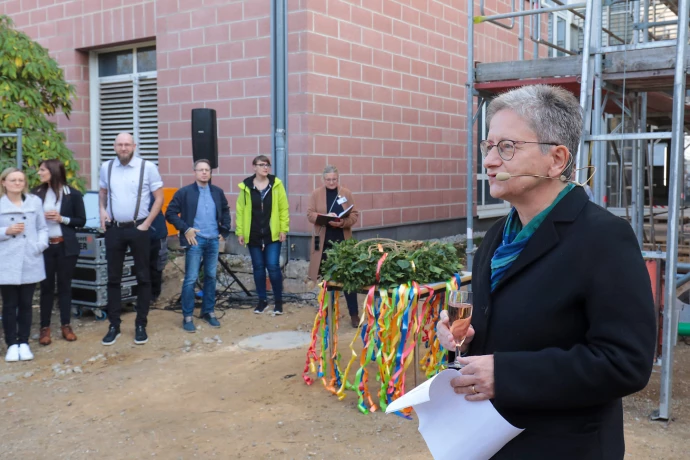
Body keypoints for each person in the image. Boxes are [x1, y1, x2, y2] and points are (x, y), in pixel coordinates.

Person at [436, 85, 656, 459]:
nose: (489, 161)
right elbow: (502, 333)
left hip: (565, 445)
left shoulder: (603, 238)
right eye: (487, 147)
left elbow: (626, 363)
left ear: (556, 159)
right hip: (492, 439)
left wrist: (506, 375)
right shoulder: (495, 238)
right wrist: (464, 339)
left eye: (506, 147)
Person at [99, 132, 164, 346]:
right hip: (115, 229)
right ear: (114, 146)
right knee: (113, 278)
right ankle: (114, 325)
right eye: (120, 144)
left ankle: (140, 324)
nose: (124, 148)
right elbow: (102, 192)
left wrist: (146, 224)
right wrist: (102, 211)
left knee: (143, 277)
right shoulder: (107, 167)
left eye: (127, 144)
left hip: (139, 228)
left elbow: (159, 198)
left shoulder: (147, 167)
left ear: (134, 146)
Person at [165, 159, 231, 332]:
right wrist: (185, 229)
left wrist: (224, 231)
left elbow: (225, 211)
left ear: (210, 173)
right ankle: (187, 316)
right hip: (195, 240)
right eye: (200, 170)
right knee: (191, 279)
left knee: (210, 276)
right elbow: (170, 213)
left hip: (213, 240)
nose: (204, 173)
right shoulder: (185, 192)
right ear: (194, 172)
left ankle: (208, 311)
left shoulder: (217, 192)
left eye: (207, 170)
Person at [33, 159, 86, 345]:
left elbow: (81, 220)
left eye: (42, 170)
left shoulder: (72, 194)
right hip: (45, 247)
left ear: (53, 172)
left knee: (65, 286)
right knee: (46, 288)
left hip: (65, 246)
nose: (39, 173)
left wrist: (61, 218)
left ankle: (66, 325)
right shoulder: (36, 194)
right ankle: (44, 328)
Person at [0, 168, 48, 362]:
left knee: (27, 304)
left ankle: (24, 342)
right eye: (13, 180)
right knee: (10, 304)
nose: (17, 183)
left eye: (20, 180)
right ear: (4, 182)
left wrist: (40, 245)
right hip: (6, 259)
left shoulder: (34, 202)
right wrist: (7, 230)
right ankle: (11, 343)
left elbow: (42, 227)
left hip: (30, 257)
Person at [306, 165, 360, 328]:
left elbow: (354, 215)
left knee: (347, 279)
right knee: (326, 279)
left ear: (338, 179)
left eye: (334, 179)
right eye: (328, 179)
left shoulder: (346, 193)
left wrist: (342, 222)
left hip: (342, 243)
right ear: (323, 179)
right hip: (323, 243)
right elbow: (310, 214)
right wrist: (324, 217)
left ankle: (354, 314)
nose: (331, 182)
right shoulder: (316, 194)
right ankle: (326, 312)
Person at [235, 155, 289, 315]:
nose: (265, 167)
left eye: (267, 165)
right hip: (253, 234)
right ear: (254, 167)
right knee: (258, 268)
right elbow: (240, 210)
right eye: (261, 165)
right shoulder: (245, 187)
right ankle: (262, 301)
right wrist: (240, 231)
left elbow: (283, 208)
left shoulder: (277, 185)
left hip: (272, 234)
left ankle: (278, 302)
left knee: (273, 267)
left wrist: (283, 229)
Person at [148, 192, 168, 303]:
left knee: (156, 266)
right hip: (140, 235)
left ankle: (153, 295)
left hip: (156, 233)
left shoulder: (153, 194)